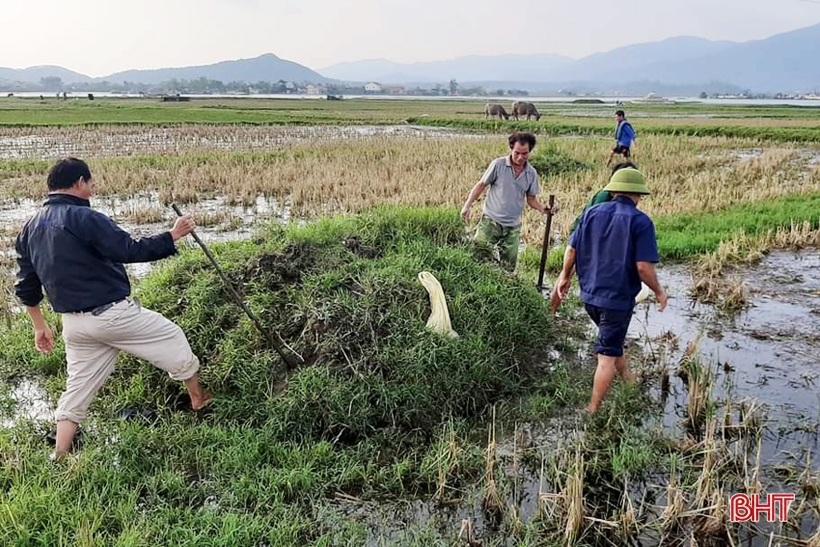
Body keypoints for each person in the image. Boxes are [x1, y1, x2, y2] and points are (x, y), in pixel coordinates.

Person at [14, 157, 212, 459]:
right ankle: (199, 400)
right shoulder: (84, 217)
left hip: (74, 324)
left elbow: (26, 286)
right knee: (172, 337)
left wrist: (39, 326)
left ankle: (60, 455)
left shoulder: (30, 227)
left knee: (77, 389)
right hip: (111, 315)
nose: (92, 189)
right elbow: (128, 249)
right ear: (80, 182)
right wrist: (172, 235)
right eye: (91, 183)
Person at [555, 167, 667, 413]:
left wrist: (564, 277)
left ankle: (628, 378)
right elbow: (642, 267)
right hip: (616, 300)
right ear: (638, 195)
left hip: (589, 295)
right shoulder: (641, 221)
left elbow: (571, 250)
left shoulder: (592, 213)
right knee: (605, 355)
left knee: (611, 340)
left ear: (613, 191)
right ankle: (593, 410)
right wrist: (658, 291)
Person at [549, 162, 639, 313]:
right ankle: (550, 312)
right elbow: (589, 223)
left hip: (598, 239)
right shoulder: (605, 196)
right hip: (583, 237)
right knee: (567, 275)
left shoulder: (623, 196)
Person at [461, 131, 556, 271]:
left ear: (530, 152)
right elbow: (481, 185)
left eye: (525, 154)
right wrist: (466, 206)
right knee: (477, 256)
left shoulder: (531, 173)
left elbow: (531, 199)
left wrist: (544, 209)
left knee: (508, 267)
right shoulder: (498, 165)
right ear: (511, 148)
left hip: (512, 227)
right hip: (490, 222)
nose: (520, 157)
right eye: (517, 152)